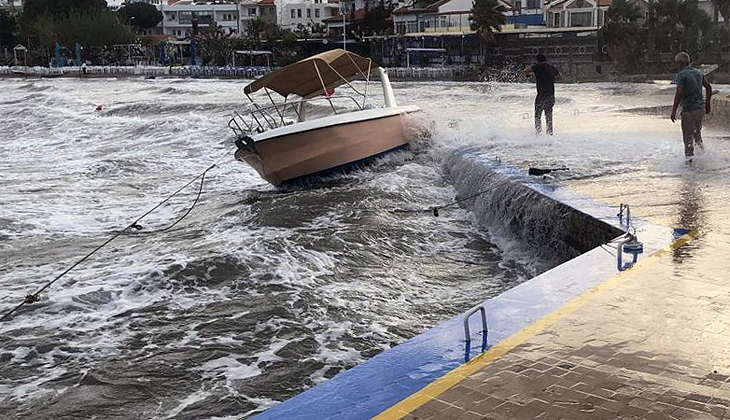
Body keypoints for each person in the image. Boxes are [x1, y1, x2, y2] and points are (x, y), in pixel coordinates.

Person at [670, 52, 712, 163]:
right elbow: (708, 87)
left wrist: (674, 110)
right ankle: (703, 159)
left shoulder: (681, 75)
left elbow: (679, 92)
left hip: (689, 111)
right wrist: (707, 104)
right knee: (697, 135)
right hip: (700, 109)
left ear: (680, 63)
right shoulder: (698, 73)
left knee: (688, 139)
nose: (676, 66)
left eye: (677, 63)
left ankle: (689, 165)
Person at [524, 54, 562, 135]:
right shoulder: (551, 67)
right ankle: (550, 134)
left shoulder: (537, 67)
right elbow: (559, 77)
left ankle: (538, 134)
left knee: (538, 116)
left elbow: (526, 71)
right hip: (551, 96)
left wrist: (529, 73)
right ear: (545, 59)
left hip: (541, 96)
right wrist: (550, 78)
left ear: (537, 60)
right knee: (549, 117)